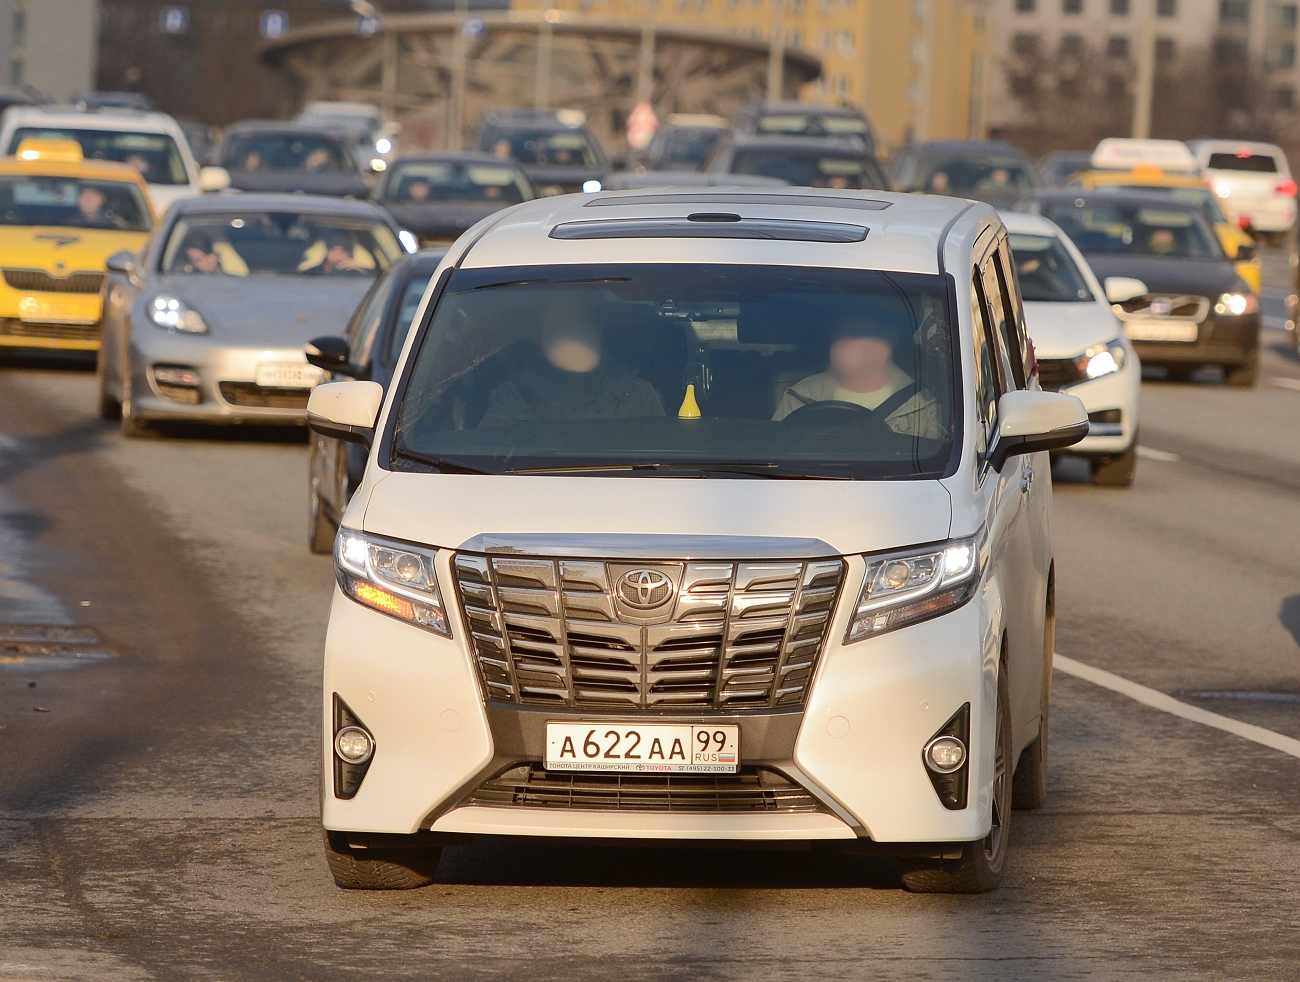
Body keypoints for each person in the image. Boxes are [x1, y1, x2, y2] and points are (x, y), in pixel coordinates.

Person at [478, 294, 665, 426]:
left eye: (580, 323)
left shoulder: (637, 394)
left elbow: (657, 461)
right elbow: (489, 458)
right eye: (561, 326)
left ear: (598, 331)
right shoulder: (515, 394)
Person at [772, 305, 940, 439]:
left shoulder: (922, 405)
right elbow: (775, 453)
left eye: (866, 334)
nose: (850, 345)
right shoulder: (797, 397)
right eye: (844, 333)